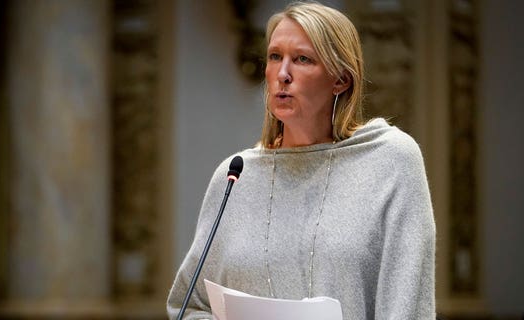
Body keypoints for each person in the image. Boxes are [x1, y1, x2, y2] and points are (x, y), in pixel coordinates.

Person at [167, 1, 436, 319]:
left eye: (302, 59)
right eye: (275, 57)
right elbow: (189, 306)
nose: (282, 74)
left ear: (341, 79)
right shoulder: (235, 175)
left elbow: (408, 306)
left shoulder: (390, 161)